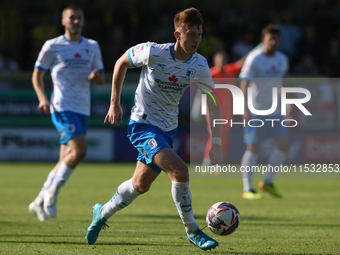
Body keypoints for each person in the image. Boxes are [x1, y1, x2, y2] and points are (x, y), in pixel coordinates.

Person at [85, 8, 223, 251]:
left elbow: (212, 100)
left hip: (167, 129)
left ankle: (102, 212)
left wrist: (217, 141)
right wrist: (114, 103)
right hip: (143, 125)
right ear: (177, 35)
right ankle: (193, 231)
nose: (196, 39)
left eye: (199, 34)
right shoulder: (153, 51)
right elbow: (121, 63)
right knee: (180, 171)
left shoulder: (200, 64)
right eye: (191, 34)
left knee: (140, 185)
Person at [29, 5, 105, 221]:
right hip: (62, 106)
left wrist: (95, 77)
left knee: (65, 158)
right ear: (63, 21)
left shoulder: (92, 46)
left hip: (83, 108)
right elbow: (37, 75)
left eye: (79, 18)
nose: (76, 21)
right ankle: (52, 194)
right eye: (71, 18)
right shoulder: (53, 45)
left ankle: (38, 200)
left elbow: (101, 77)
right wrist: (43, 98)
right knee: (80, 150)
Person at [239, 24, 290, 200]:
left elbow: (283, 84)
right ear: (263, 40)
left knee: (284, 144)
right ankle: (248, 188)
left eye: (276, 39)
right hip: (256, 110)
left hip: (275, 111)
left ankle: (268, 182)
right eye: (270, 39)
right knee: (253, 148)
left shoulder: (282, 59)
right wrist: (244, 108)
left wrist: (287, 106)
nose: (274, 42)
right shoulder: (254, 58)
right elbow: (244, 83)